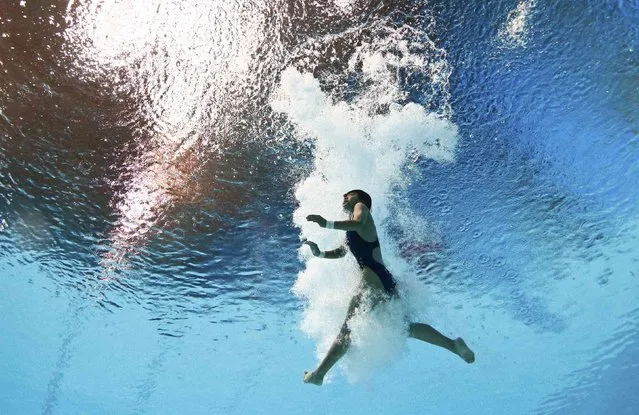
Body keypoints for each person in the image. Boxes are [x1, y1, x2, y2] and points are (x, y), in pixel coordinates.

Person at [302, 189, 475, 385]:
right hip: (384, 279)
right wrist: (320, 253)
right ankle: (453, 345)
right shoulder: (352, 230)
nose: (344, 197)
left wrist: (326, 223)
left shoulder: (362, 208)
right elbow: (342, 251)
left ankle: (319, 374)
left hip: (372, 277)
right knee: (404, 328)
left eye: (349, 194)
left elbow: (357, 221)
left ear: (361, 199)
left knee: (348, 329)